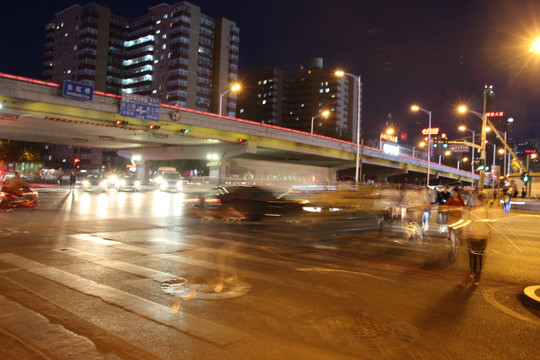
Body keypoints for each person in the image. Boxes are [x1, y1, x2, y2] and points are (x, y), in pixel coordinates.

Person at [464, 192, 492, 285]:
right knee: (477, 257)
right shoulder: (482, 211)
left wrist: (466, 233)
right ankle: (475, 275)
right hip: (478, 236)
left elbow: (469, 223)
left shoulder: (479, 211)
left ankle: (475, 274)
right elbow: (490, 224)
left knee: (475, 257)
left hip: (477, 236)